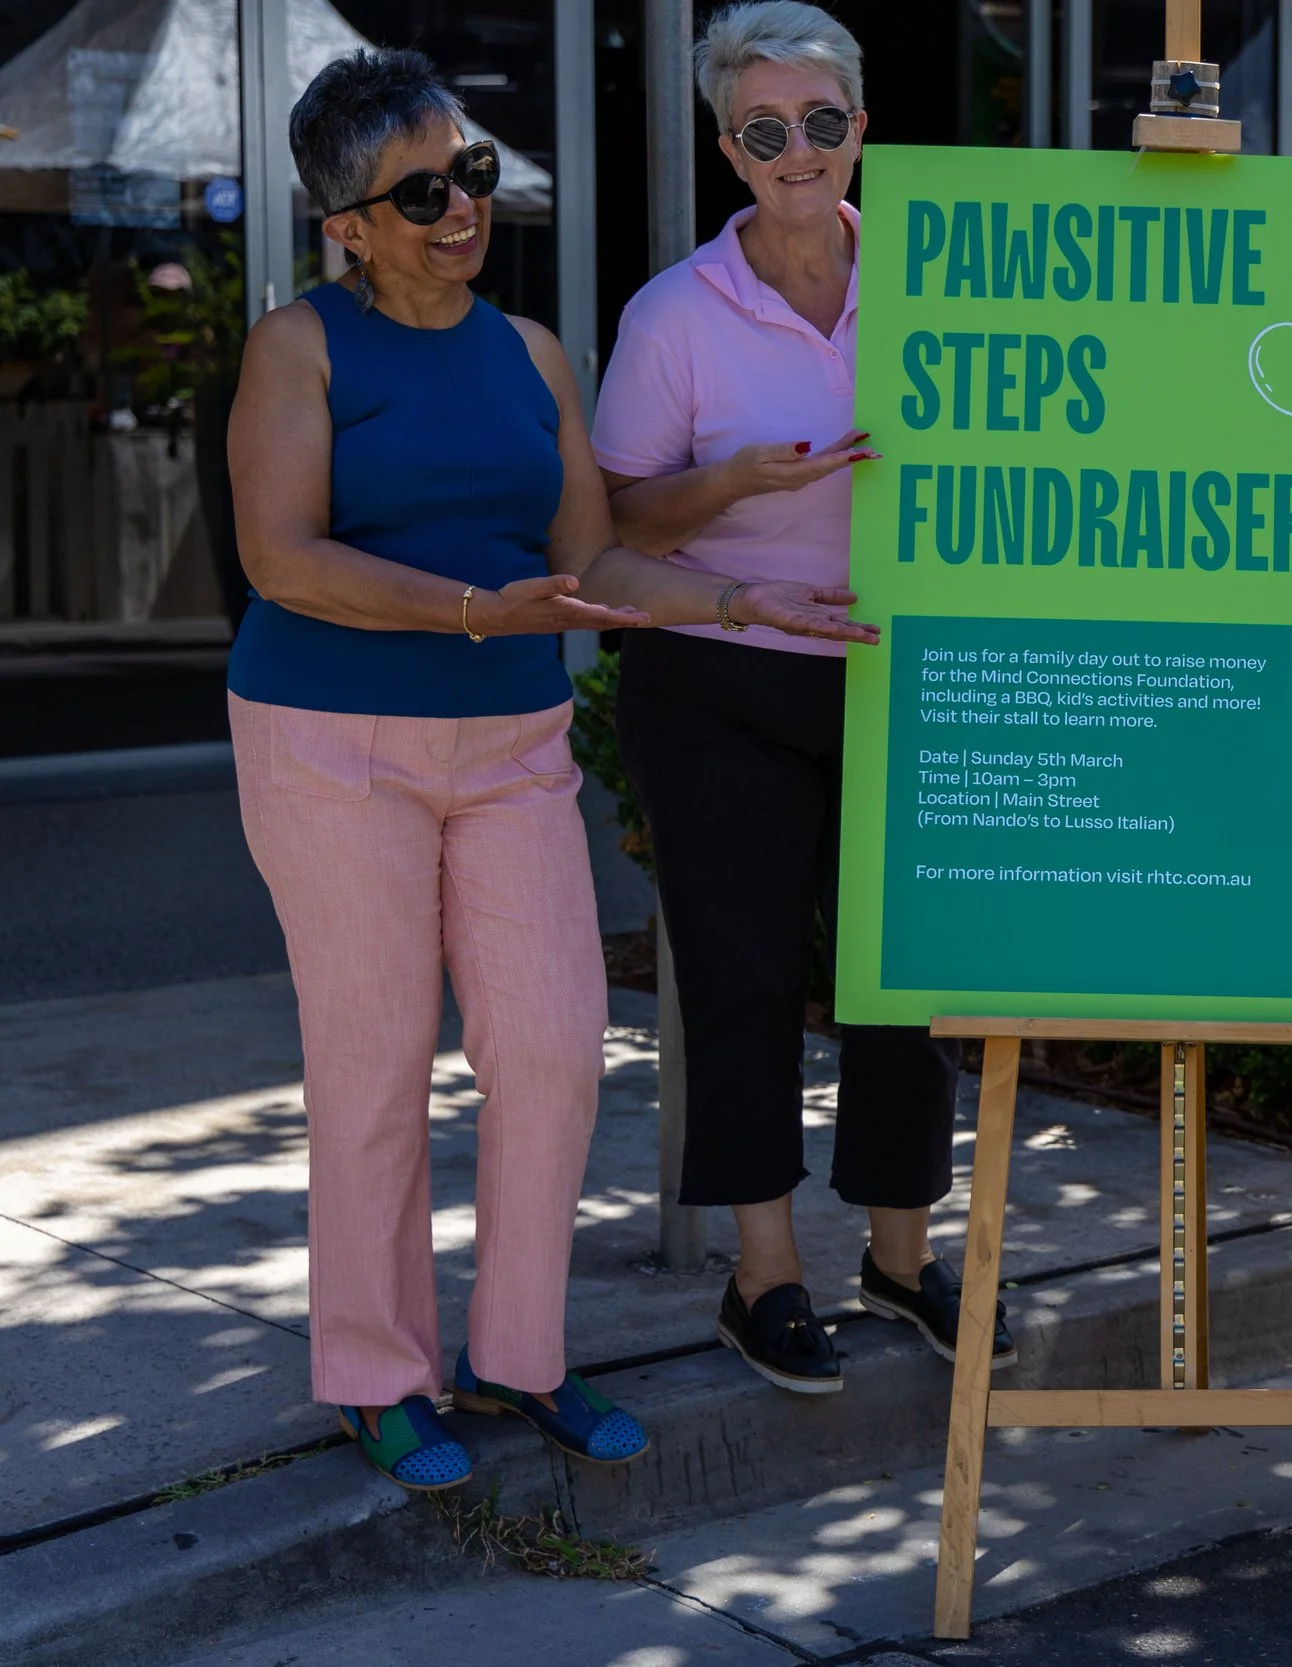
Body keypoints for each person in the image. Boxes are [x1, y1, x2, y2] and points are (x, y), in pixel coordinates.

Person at [228, 47, 866, 1489]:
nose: (461, 205)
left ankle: (520, 1354)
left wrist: (733, 601)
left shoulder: (531, 352)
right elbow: (281, 558)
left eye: (469, 170)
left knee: (554, 1047)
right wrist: (466, 608)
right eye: (419, 192)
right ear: (348, 226)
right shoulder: (300, 346)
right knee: (378, 1062)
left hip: (512, 739)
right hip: (336, 742)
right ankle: (379, 1373)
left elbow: (587, 558)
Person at [591, 0, 1014, 1396]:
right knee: (743, 974)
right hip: (719, 677)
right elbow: (619, 522)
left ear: (861, 134)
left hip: (900, 673)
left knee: (910, 976)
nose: (798, 150)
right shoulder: (672, 315)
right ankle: (763, 1274)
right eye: (765, 129)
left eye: (821, 124)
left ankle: (901, 1256)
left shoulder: (940, 281)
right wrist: (737, 483)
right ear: (728, 148)